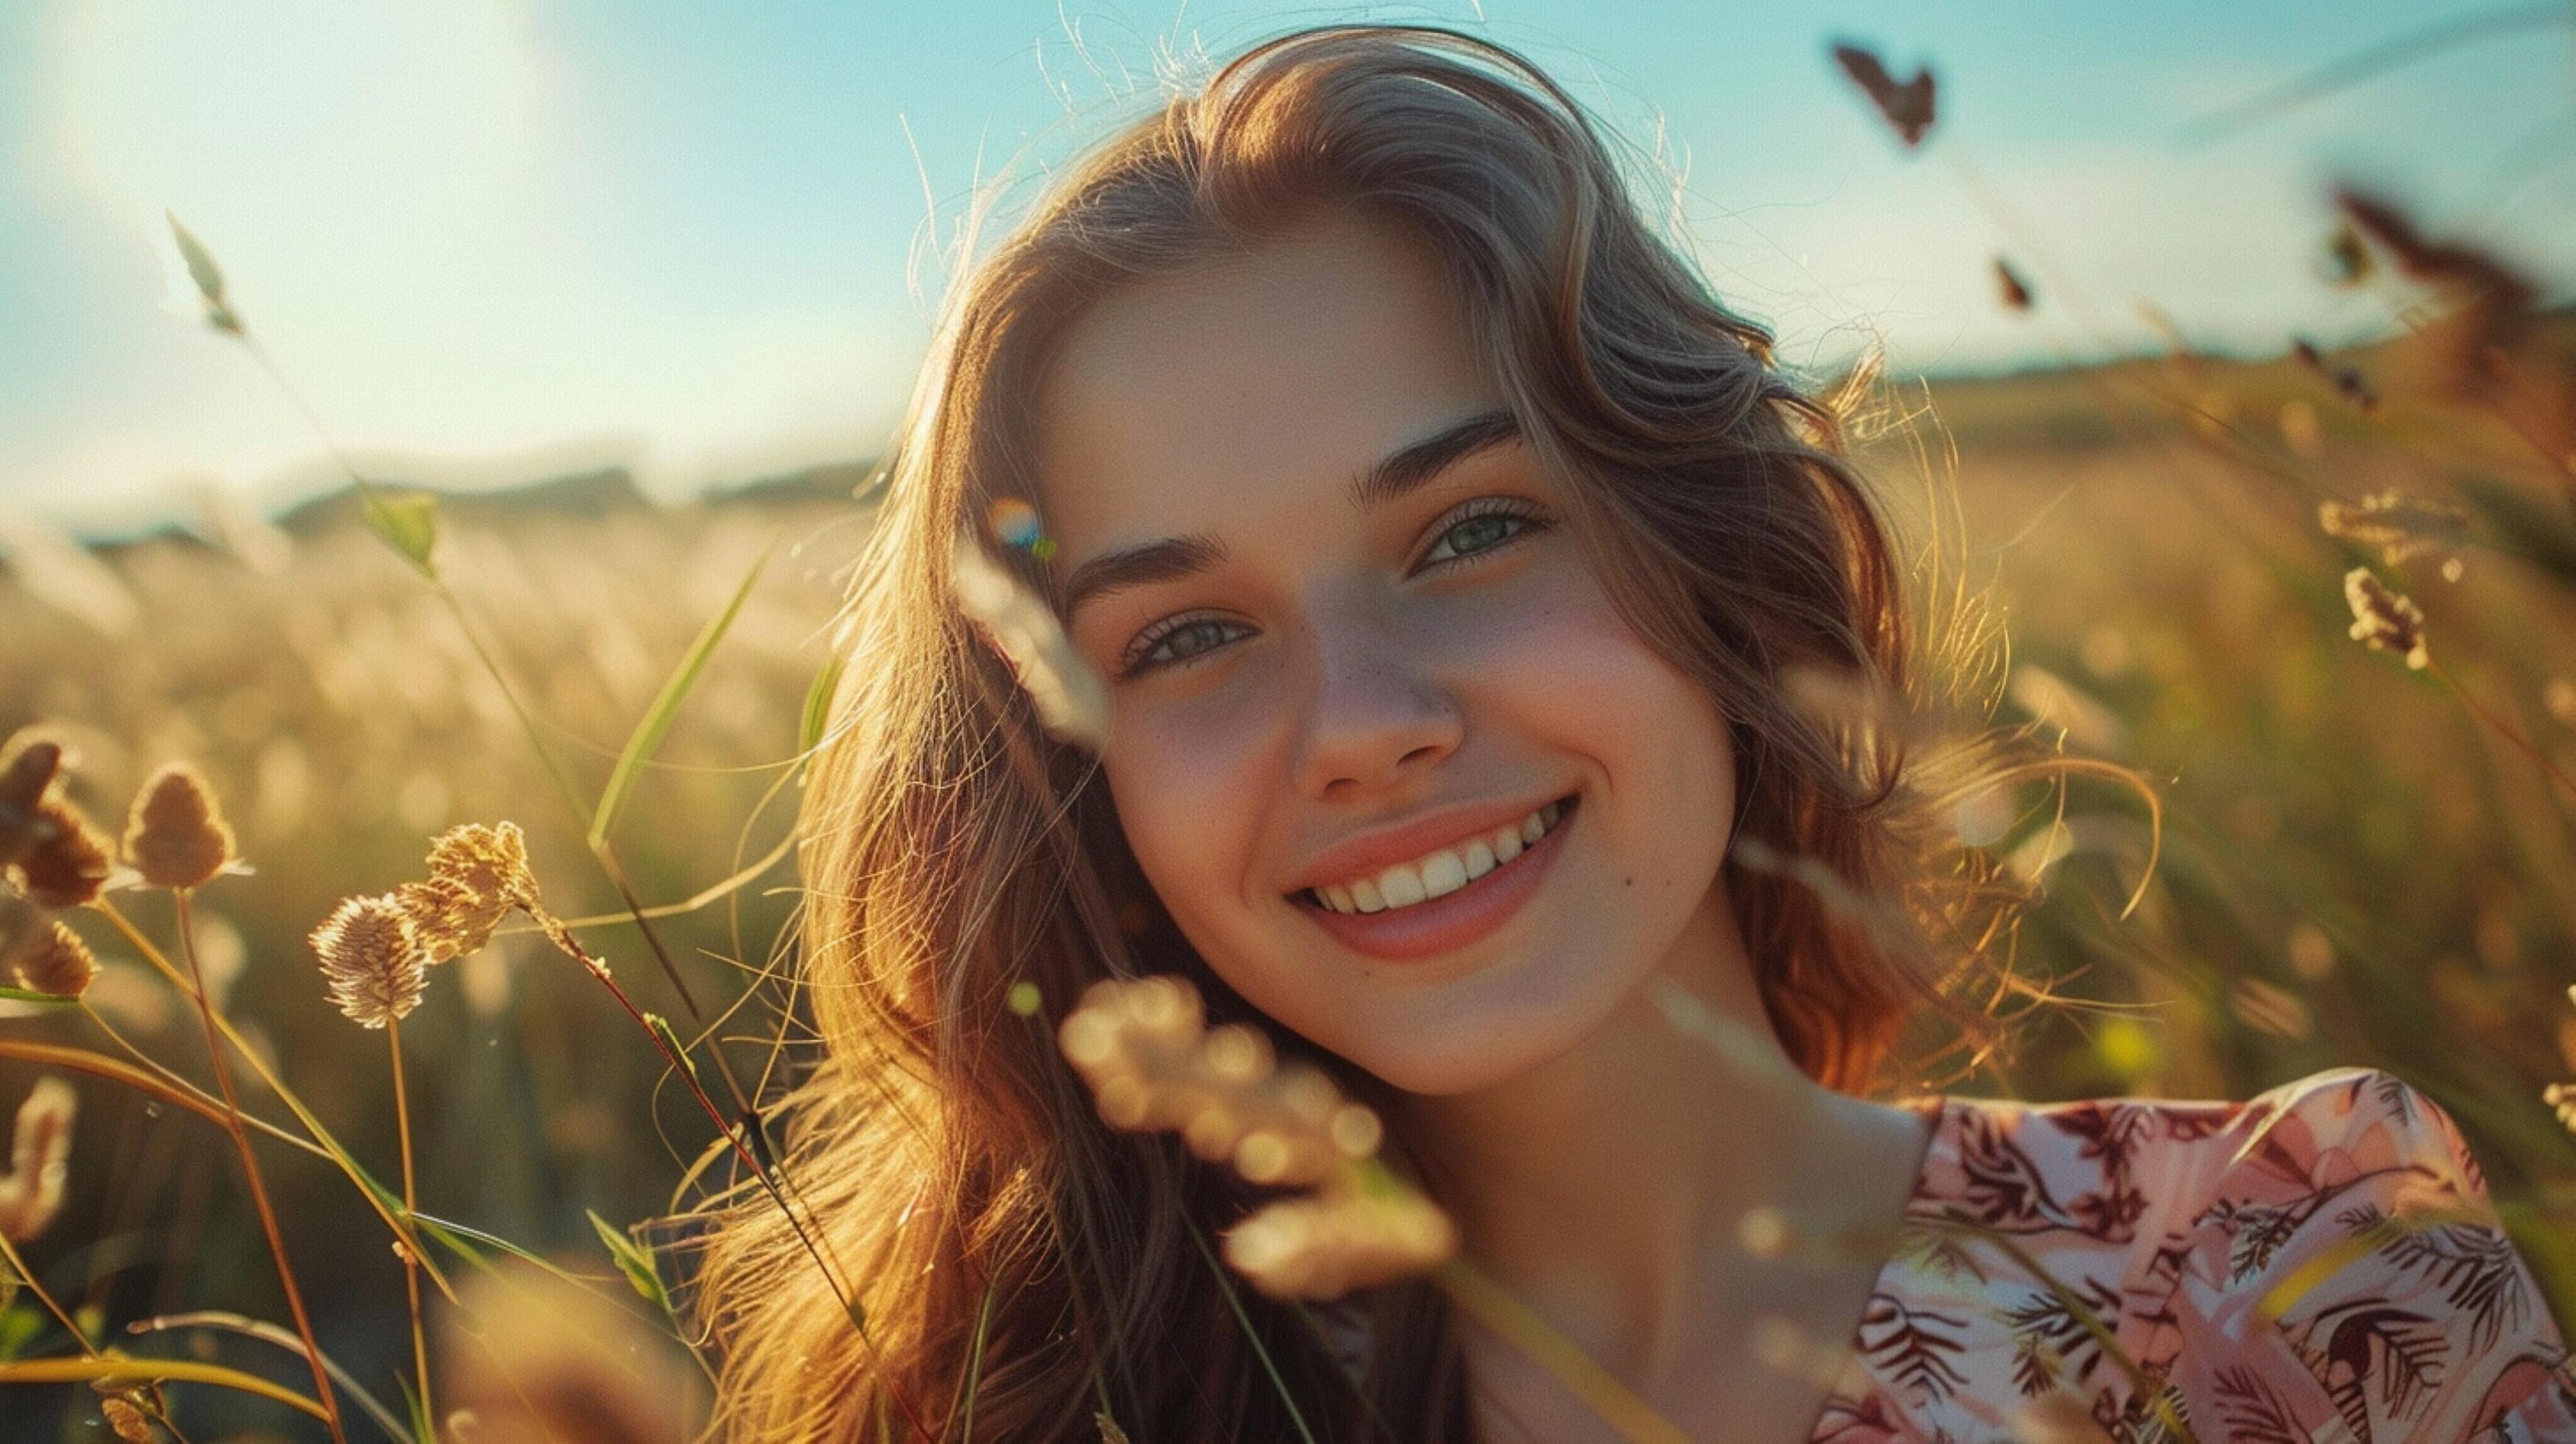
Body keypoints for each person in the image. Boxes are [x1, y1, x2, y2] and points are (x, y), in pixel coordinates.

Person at [683, 23, 2576, 1442]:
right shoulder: (1022, 1397)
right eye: (1185, 632)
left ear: (1713, 556)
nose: (1361, 729)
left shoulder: (2289, 1286)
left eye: (1473, 529)